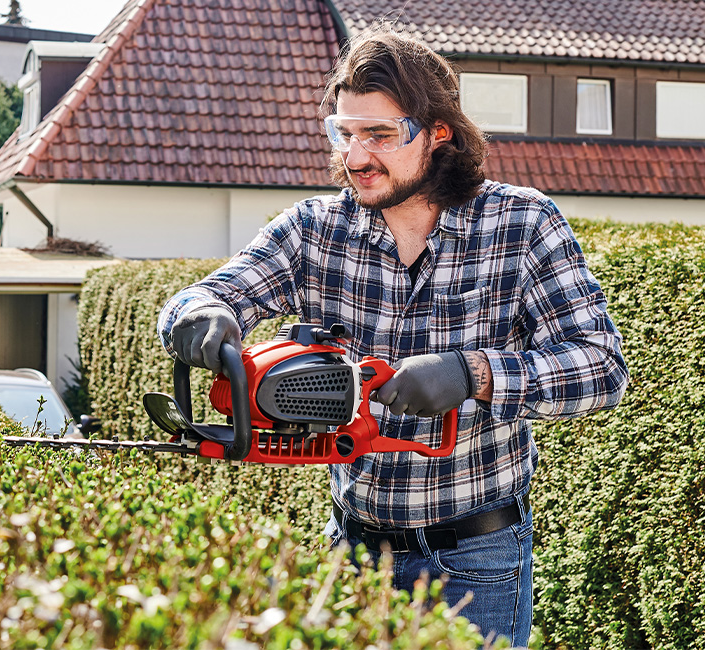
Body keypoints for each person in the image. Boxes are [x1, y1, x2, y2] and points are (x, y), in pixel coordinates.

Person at [156, 24, 628, 647]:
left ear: (438, 134)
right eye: (344, 134)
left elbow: (600, 369)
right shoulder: (317, 228)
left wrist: (474, 374)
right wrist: (200, 317)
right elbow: (206, 296)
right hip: (351, 551)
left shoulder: (521, 223)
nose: (355, 156)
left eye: (379, 134)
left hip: (475, 561)